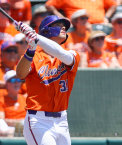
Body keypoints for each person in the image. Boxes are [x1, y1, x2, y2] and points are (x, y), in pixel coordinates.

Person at [15, 15, 80, 145]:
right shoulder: (33, 55)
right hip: (38, 120)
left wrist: (36, 37)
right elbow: (20, 74)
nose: (63, 27)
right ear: (46, 30)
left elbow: (61, 54)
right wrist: (31, 48)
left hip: (62, 120)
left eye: (64, 26)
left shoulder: (72, 54)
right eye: (57, 25)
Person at [45, 0, 117, 24]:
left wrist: (106, 17)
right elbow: (49, 5)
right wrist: (64, 19)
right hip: (77, 28)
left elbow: (113, 4)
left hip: (101, 25)